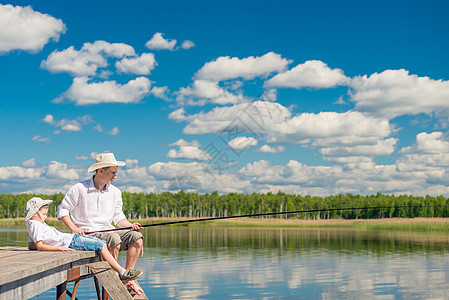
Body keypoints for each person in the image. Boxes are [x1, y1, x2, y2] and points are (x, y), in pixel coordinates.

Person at [56, 152, 144, 294]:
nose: (115, 176)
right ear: (101, 170)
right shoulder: (79, 188)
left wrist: (130, 225)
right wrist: (73, 228)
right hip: (88, 235)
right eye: (113, 173)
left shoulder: (115, 192)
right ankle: (115, 274)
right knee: (114, 238)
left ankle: (127, 277)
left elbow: (118, 218)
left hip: (108, 231)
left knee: (136, 237)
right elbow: (62, 210)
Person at [24, 197, 143, 283]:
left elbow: (32, 245)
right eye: (44, 214)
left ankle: (119, 271)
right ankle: (122, 271)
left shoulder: (34, 225)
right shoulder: (35, 224)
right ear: (35, 213)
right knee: (101, 245)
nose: (45, 217)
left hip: (72, 239)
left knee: (99, 243)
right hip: (71, 242)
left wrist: (51, 245)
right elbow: (39, 246)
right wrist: (59, 248)